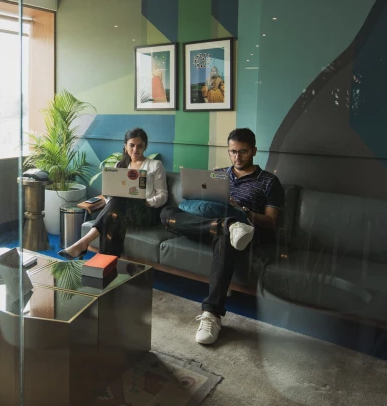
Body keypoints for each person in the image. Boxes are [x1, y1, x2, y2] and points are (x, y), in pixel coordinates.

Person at [161, 128, 283, 345]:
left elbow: (272, 222)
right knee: (167, 213)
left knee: (227, 237)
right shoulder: (218, 174)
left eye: (243, 152)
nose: (237, 157)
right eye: (233, 152)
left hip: (246, 232)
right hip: (210, 225)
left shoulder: (269, 181)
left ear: (254, 151)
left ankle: (212, 314)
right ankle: (226, 225)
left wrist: (243, 211)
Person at [58, 128, 168, 259]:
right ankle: (106, 264)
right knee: (115, 214)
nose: (135, 150)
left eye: (140, 146)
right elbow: (111, 194)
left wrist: (148, 202)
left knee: (118, 206)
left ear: (145, 146)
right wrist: (109, 195)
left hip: (145, 212)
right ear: (125, 145)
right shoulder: (120, 165)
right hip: (122, 211)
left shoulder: (155, 165)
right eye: (131, 145)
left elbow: (163, 195)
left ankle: (83, 243)